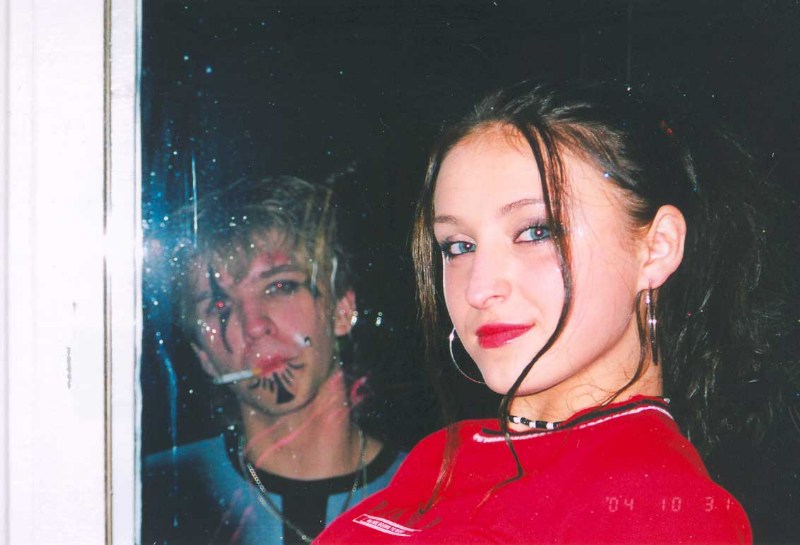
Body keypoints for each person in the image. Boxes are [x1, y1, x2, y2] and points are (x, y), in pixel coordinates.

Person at [315, 81, 797, 544]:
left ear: (657, 247)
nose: (478, 288)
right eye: (458, 246)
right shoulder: (444, 454)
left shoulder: (660, 505)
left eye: (535, 232)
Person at [143, 175, 406, 545]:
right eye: (219, 305)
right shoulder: (152, 494)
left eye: (280, 286)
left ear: (341, 309)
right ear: (202, 354)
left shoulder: (433, 492)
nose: (254, 325)